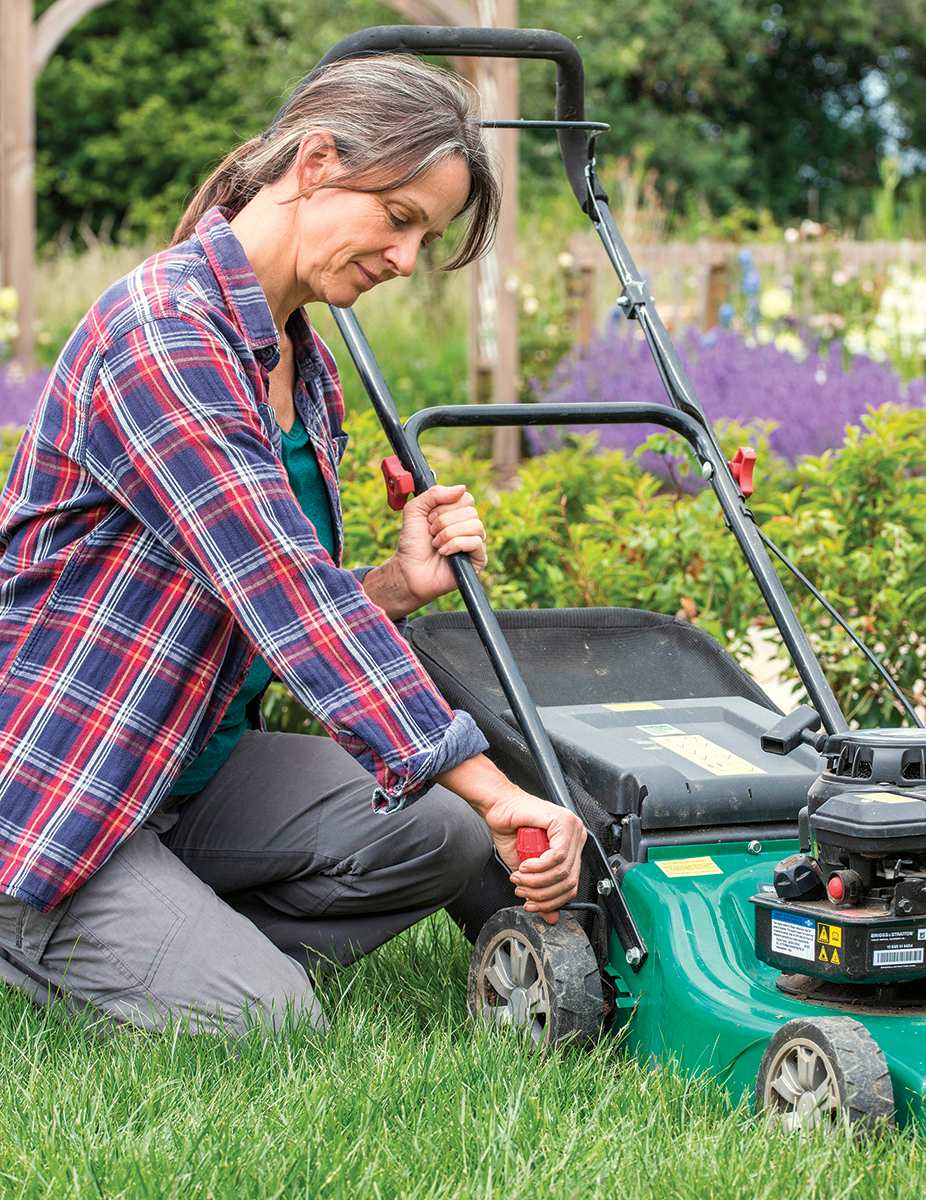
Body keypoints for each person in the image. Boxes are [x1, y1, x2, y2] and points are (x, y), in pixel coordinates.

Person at [0, 55, 585, 1036]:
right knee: (271, 1026)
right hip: (64, 787)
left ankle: (175, 945)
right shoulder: (164, 338)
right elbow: (283, 591)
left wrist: (395, 587)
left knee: (435, 837)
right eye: (399, 219)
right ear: (315, 162)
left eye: (426, 237)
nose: (407, 260)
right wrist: (499, 791)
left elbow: (249, 598)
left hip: (186, 768)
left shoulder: (296, 362)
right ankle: (53, 932)